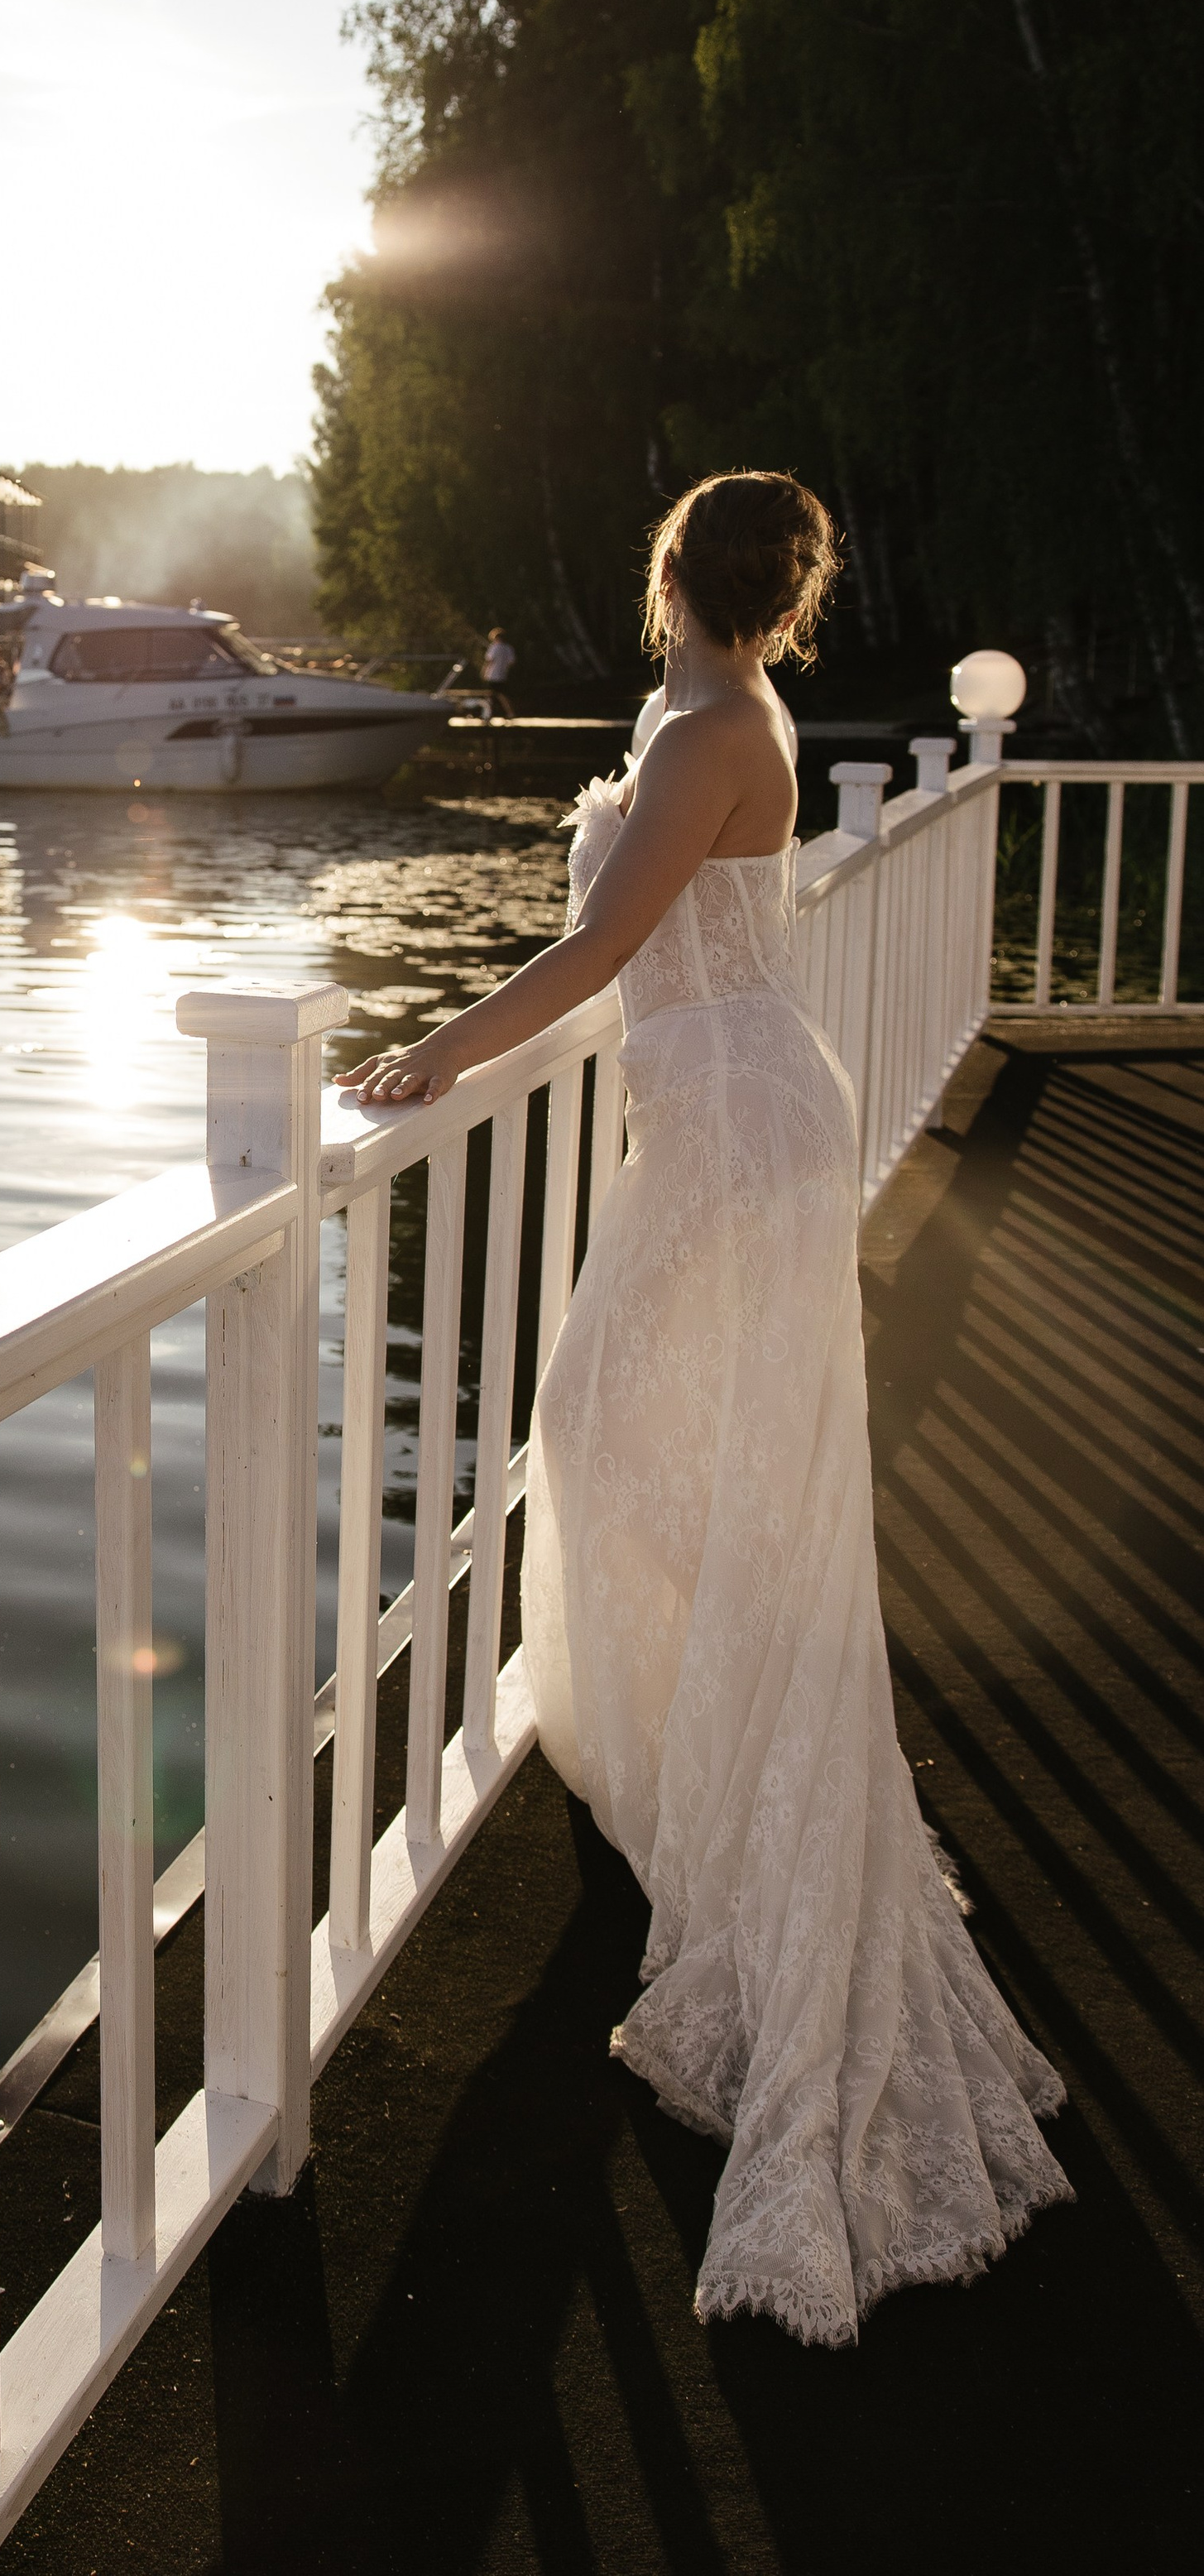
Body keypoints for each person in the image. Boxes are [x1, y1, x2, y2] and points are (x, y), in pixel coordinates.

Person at [343, 472, 1069, 2345]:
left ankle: (727, 1781)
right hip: (723, 1111)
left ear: (672, 565)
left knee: (602, 1420)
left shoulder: (715, 723)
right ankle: (697, 1762)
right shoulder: (710, 707)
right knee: (622, 1429)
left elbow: (596, 954)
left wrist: (430, 1046)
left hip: (735, 1124)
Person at [481, 623, 517, 717]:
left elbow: (489, 661)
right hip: (503, 675)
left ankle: (488, 715)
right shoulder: (509, 648)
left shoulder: (494, 647)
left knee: (490, 696)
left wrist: (484, 672)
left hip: (492, 675)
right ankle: (510, 713)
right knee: (503, 695)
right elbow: (512, 662)